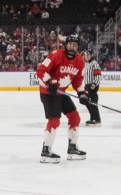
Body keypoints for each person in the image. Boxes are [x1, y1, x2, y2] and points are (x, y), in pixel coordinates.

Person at [36, 34, 89, 163]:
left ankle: (72, 148)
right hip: (48, 92)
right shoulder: (55, 55)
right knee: (54, 121)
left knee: (75, 117)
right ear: (65, 45)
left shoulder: (80, 61)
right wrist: (50, 82)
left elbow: (77, 80)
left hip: (61, 93)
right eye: (70, 44)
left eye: (75, 45)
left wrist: (82, 93)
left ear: (78, 47)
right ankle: (46, 150)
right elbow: (41, 71)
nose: (72, 47)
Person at [81, 48, 102, 125]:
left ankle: (96, 119)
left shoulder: (94, 64)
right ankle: (93, 118)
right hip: (87, 86)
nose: (86, 56)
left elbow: (98, 76)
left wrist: (94, 84)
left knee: (92, 103)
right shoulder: (88, 64)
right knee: (88, 102)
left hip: (91, 86)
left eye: (88, 55)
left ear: (92, 55)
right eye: (85, 55)